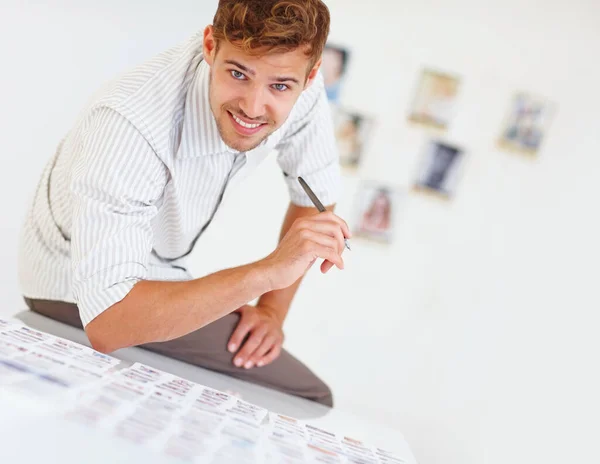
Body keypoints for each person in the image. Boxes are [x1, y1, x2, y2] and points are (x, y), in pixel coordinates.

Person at [17, 0, 351, 407]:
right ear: (211, 46)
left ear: (310, 76)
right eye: (237, 73)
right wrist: (267, 274)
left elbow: (315, 194)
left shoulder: (303, 88)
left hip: (159, 276)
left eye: (279, 86)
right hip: (74, 286)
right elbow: (108, 321)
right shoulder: (130, 122)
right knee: (310, 395)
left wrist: (272, 313)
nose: (252, 105)